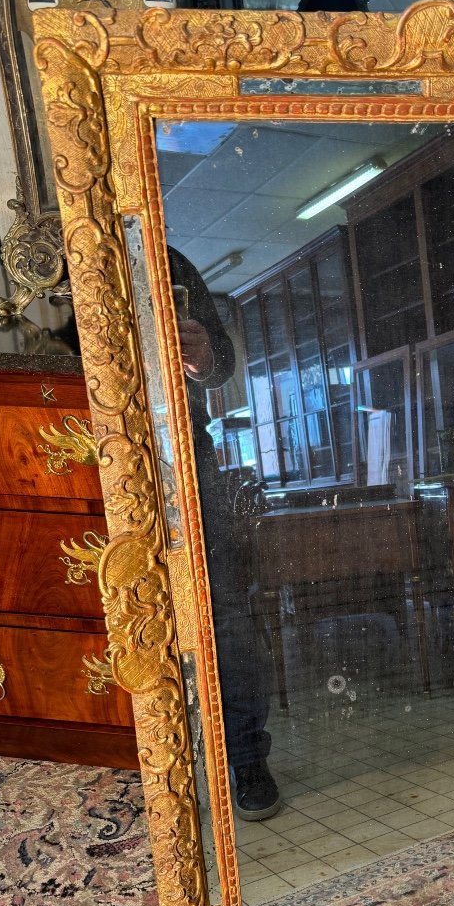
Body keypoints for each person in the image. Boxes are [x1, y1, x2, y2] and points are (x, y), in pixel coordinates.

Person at [169, 246, 281, 821]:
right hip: (81, 442)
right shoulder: (48, 263)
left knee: (223, 605)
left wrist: (207, 353)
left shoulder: (168, 258)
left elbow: (222, 362)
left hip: (183, 445)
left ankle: (245, 756)